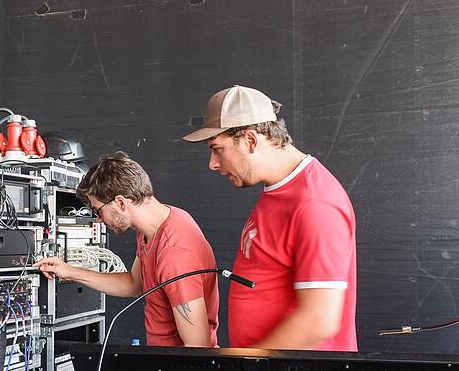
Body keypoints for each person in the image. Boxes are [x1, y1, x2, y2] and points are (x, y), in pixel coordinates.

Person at [183, 85, 357, 351]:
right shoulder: (279, 190)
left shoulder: (314, 203)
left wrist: (244, 362)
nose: (213, 164)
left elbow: (319, 320)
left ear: (251, 140)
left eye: (218, 149)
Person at [35, 151, 220, 347]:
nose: (98, 219)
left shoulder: (175, 251)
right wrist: (70, 272)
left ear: (121, 202)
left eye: (98, 211)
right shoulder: (154, 227)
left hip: (179, 370)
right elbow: (134, 284)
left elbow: (198, 347)